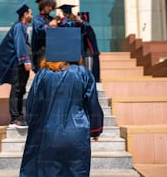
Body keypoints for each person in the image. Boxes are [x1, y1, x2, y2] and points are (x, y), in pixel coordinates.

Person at [20, 28, 104, 177]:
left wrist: (32, 124)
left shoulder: (42, 75)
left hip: (48, 133)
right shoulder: (83, 73)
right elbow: (93, 105)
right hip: (76, 135)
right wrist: (95, 129)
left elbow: (31, 105)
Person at [0, 2, 33, 129]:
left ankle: (19, 117)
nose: (32, 16)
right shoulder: (19, 27)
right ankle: (15, 119)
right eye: (30, 13)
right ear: (25, 14)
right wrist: (25, 60)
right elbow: (20, 44)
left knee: (21, 90)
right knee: (17, 90)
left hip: (20, 64)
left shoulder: (23, 26)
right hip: (18, 64)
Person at [31, 0, 57, 73]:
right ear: (42, 6)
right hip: (40, 53)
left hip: (52, 53)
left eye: (52, 6)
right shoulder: (37, 19)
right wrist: (50, 25)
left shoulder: (52, 19)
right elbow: (39, 31)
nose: (50, 8)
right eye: (48, 6)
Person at [78, 11, 101, 82]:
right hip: (83, 55)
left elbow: (86, 26)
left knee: (88, 74)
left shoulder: (88, 28)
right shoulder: (81, 29)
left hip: (88, 54)